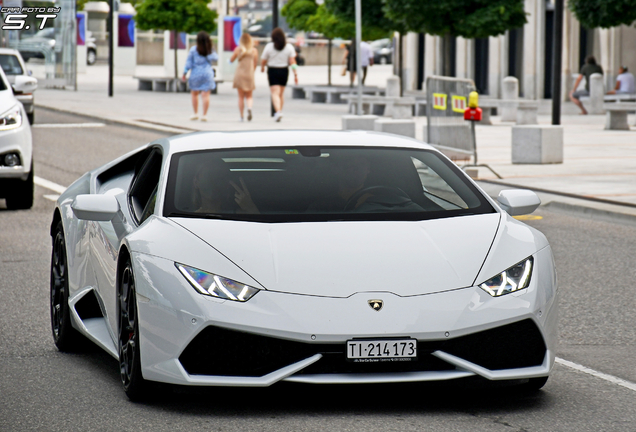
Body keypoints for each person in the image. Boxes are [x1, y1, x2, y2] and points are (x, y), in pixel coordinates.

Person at [261, 27, 298, 122]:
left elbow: (264, 60)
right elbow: (293, 62)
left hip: (273, 70)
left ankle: (278, 112)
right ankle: (279, 111)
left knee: (274, 93)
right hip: (284, 71)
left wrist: (262, 67)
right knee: (281, 93)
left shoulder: (269, 46)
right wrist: (295, 74)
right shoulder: (289, 47)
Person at [182, 32, 219, 122]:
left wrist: (184, 73)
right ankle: (204, 115)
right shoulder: (209, 50)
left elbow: (188, 63)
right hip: (207, 74)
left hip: (195, 74)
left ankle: (195, 113)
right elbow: (216, 58)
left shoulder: (193, 50)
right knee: (205, 95)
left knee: (194, 94)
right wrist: (209, 49)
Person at [230, 33, 258, 122]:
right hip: (249, 74)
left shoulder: (238, 49)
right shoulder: (254, 51)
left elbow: (231, 60)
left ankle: (241, 116)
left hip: (239, 74)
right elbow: (255, 64)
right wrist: (252, 71)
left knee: (240, 97)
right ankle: (249, 108)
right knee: (249, 96)